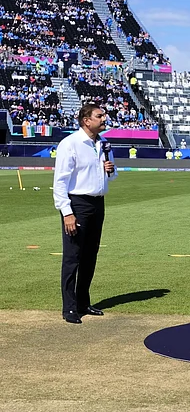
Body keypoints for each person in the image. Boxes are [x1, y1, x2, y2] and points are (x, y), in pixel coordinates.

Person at [52, 104, 117, 324]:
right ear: (86, 120)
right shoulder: (70, 144)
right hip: (77, 204)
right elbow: (60, 182)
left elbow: (112, 174)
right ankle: (69, 307)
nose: (104, 118)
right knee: (73, 257)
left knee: (90, 255)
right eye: (99, 116)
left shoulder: (104, 144)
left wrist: (110, 170)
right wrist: (67, 212)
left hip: (98, 203)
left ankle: (83, 302)